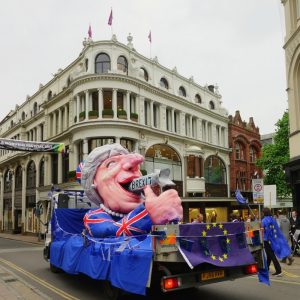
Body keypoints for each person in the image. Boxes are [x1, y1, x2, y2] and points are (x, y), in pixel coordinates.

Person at [80, 143, 183, 238]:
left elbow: (168, 245)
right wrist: (148, 214)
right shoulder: (93, 216)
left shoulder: (143, 204)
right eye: (111, 164)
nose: (133, 165)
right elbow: (108, 232)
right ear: (94, 183)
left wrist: (170, 222)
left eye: (137, 167)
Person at [262, 207, 292, 276]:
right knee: (269, 255)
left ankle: (279, 270)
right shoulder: (273, 219)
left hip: (267, 240)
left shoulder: (264, 220)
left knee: (271, 255)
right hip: (273, 240)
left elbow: (265, 231)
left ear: (264, 213)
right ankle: (266, 268)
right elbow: (276, 229)